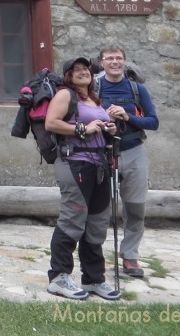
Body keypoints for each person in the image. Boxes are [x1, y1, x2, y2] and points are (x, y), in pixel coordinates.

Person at [43, 56, 122, 300]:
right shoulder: (66, 95)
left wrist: (111, 128)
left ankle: (93, 278)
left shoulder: (94, 100)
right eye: (76, 70)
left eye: (85, 69)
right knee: (73, 219)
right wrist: (82, 129)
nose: (82, 72)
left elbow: (100, 126)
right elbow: (51, 123)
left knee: (96, 223)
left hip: (100, 165)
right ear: (68, 76)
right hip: (74, 163)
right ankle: (59, 277)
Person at [96, 44, 159, 279]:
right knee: (100, 207)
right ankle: (95, 254)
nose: (114, 62)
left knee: (135, 206)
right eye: (109, 58)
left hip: (133, 150)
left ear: (125, 61)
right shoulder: (94, 87)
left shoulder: (137, 89)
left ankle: (130, 255)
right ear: (101, 62)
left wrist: (127, 116)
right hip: (101, 151)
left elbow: (153, 122)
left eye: (119, 58)